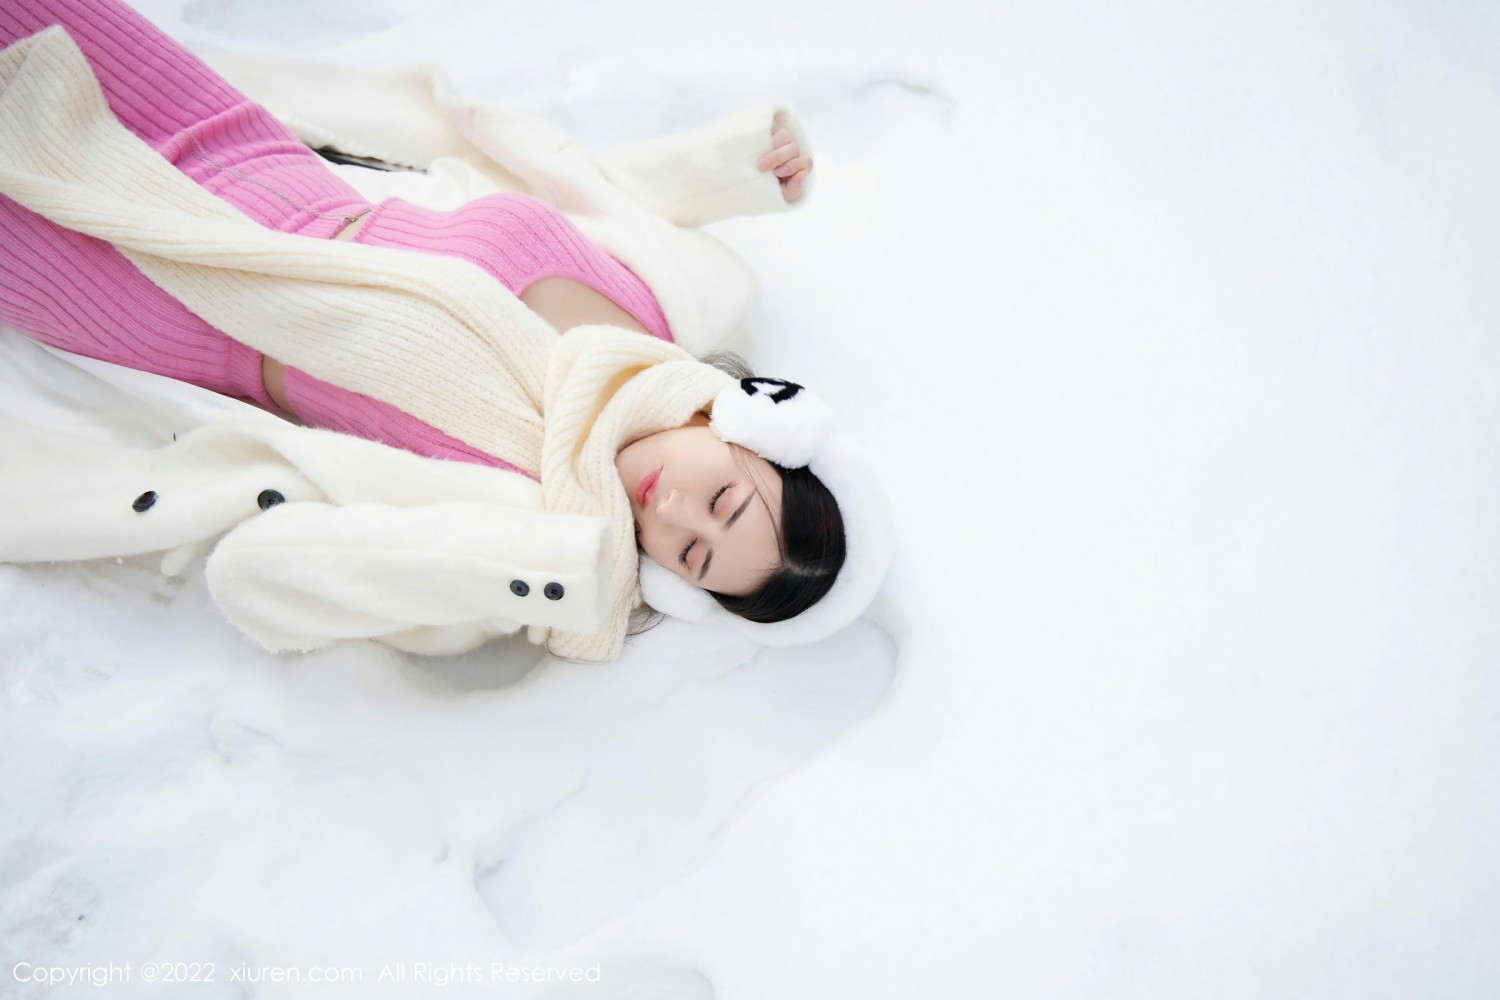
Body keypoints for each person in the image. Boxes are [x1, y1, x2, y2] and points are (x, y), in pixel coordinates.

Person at [0, 0, 890, 661]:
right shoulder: (669, 309)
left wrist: (553, 566)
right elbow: (583, 185)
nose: (671, 511)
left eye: (690, 553)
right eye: (725, 499)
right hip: (245, 146)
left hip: (155, 287)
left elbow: (261, 579)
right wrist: (732, 168)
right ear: (753, 434)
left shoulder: (530, 521)